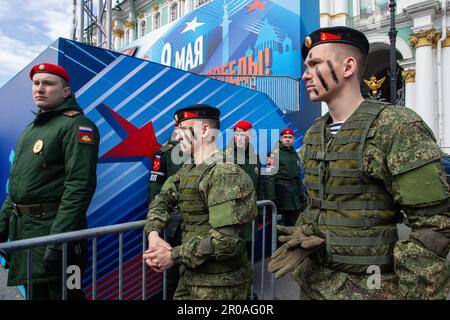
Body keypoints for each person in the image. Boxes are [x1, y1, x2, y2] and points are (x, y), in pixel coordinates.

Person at [268, 26, 450, 300]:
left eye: (314, 63)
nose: (305, 74)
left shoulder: (397, 127)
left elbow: (435, 225)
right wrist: (311, 231)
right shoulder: (316, 132)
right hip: (314, 286)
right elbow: (325, 202)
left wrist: (412, 291)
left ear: (348, 66)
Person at [0, 63, 99, 300]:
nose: (40, 89)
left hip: (56, 234)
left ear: (66, 91)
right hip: (27, 234)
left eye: (48, 83)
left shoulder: (77, 125)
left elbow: (79, 186)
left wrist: (58, 240)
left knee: (65, 295)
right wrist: (2, 227)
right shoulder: (31, 129)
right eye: (36, 83)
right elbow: (16, 189)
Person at [143, 104, 257, 300]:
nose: (178, 136)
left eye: (183, 129)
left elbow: (227, 242)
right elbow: (162, 199)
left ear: (204, 130)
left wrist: (173, 255)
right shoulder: (188, 169)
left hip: (221, 287)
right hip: (191, 279)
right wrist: (154, 234)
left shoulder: (224, 174)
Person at [148, 131, 182, 300]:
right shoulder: (164, 153)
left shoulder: (204, 155)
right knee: (172, 274)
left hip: (186, 222)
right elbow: (156, 189)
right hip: (173, 221)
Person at [224, 120, 265, 260]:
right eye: (236, 134)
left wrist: (261, 209)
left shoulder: (255, 157)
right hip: (232, 214)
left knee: (249, 247)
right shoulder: (226, 156)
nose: (239, 138)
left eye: (243, 134)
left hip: (250, 213)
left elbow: (260, 184)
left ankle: (248, 278)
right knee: (233, 249)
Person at [265, 128, 306, 227]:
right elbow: (269, 177)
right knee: (281, 228)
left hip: (295, 197)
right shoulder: (274, 153)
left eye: (290, 137)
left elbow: (298, 176)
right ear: (281, 138)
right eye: (285, 137)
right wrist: (272, 198)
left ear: (293, 139)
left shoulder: (294, 153)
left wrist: (301, 195)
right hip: (281, 196)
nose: (288, 139)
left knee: (296, 226)